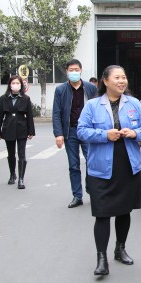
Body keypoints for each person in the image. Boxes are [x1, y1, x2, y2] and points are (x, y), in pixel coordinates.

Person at [77, 65, 141, 276]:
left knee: (123, 211)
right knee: (102, 214)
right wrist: (104, 135)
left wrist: (135, 133)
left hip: (127, 165)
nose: (121, 81)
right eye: (117, 77)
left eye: (124, 77)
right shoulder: (92, 105)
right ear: (106, 81)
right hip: (101, 168)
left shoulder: (134, 103)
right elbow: (81, 131)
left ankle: (120, 248)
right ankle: (101, 258)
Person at [53, 59, 98, 208]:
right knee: (73, 165)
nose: (74, 72)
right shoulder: (61, 90)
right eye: (71, 70)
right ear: (67, 72)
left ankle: (91, 189)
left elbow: (98, 109)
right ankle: (77, 196)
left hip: (87, 131)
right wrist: (58, 134)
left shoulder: (90, 88)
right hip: (70, 131)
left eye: (76, 70)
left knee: (91, 162)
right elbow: (56, 113)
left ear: (81, 70)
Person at [0, 75, 36, 189]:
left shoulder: (25, 98)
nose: (15, 85)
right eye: (13, 83)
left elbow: (29, 116)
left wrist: (31, 131)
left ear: (21, 85)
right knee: (11, 153)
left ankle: (21, 179)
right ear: (9, 85)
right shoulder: (3, 98)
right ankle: (12, 174)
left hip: (22, 128)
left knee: (22, 154)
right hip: (8, 127)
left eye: (18, 83)